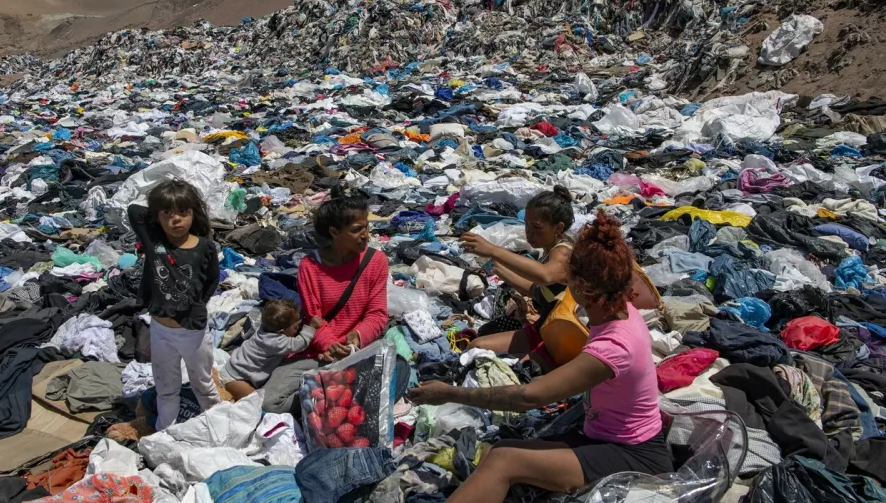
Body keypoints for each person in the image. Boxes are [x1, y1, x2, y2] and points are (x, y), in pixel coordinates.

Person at [410, 211, 671, 501]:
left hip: (635, 456)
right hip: (605, 434)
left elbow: (528, 398)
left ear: (581, 287)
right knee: (497, 453)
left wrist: (449, 393)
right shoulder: (618, 310)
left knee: (503, 459)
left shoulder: (614, 345)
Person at [460, 185, 660, 365]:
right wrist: (501, 270)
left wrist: (493, 250)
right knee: (477, 345)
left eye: (537, 227)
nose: (529, 232)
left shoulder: (563, 251)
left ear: (559, 228)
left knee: (515, 365)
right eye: (527, 224)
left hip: (560, 336)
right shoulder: (549, 250)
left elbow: (545, 276)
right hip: (545, 329)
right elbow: (538, 290)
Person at [260, 186, 391, 413]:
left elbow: (377, 314)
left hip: (357, 351)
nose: (366, 235)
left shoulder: (375, 261)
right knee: (270, 402)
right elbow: (314, 318)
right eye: (357, 229)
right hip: (318, 353)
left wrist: (357, 338)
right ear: (334, 232)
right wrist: (330, 345)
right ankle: (333, 400)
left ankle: (330, 398)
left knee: (398, 371)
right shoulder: (310, 267)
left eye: (367, 227)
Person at [127, 180, 222, 430]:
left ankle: (219, 429)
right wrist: (163, 201)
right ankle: (164, 433)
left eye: (183, 212)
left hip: (192, 331)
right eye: (168, 214)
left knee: (202, 384)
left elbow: (212, 279)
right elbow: (134, 211)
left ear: (194, 214)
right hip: (161, 330)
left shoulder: (205, 247)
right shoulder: (154, 242)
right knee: (166, 388)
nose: (176, 220)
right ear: (157, 217)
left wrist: (197, 302)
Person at [220, 300, 325, 401]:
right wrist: (311, 328)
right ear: (281, 332)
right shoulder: (275, 342)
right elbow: (300, 343)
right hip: (236, 378)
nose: (298, 329)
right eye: (296, 327)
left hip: (234, 368)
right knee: (255, 402)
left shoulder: (264, 328)